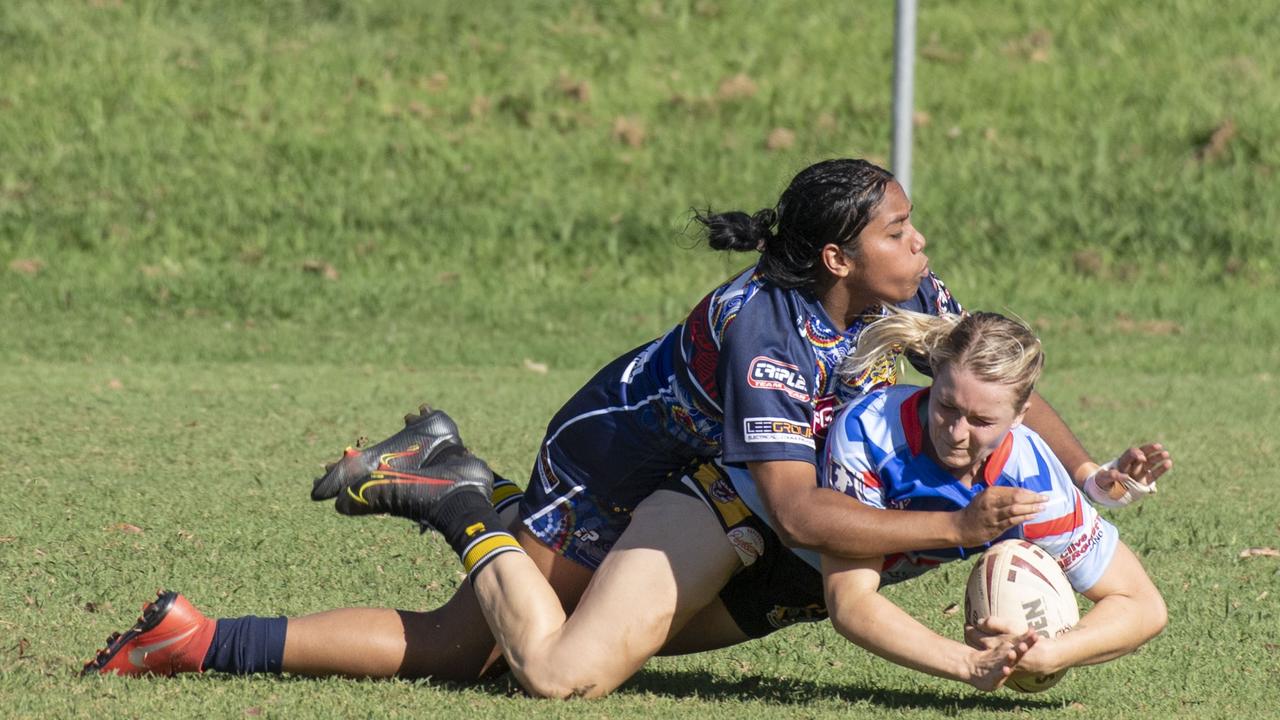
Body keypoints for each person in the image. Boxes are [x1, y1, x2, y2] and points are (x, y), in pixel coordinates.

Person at [83, 160, 1168, 696]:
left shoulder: (901, 297)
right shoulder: (769, 334)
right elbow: (795, 506)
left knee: (470, 648)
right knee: (532, 658)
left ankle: (196, 640)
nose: (918, 240)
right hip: (611, 469)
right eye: (896, 228)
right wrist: (964, 529)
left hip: (705, 489)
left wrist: (1085, 468)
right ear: (837, 257)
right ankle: (463, 494)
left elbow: (988, 375)